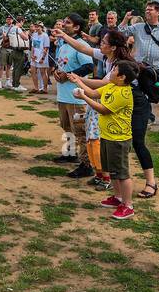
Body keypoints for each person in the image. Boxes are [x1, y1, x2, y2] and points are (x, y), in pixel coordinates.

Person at [68, 60, 140, 219]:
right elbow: (93, 93)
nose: (111, 71)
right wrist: (78, 81)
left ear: (121, 77)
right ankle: (118, 197)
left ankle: (128, 206)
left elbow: (103, 109)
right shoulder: (111, 86)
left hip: (119, 139)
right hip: (106, 136)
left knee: (122, 173)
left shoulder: (123, 94)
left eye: (114, 70)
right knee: (112, 170)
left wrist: (83, 97)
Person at [50, 14, 95, 179]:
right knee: (67, 127)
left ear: (76, 27)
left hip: (77, 97)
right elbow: (61, 63)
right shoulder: (63, 44)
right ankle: (69, 153)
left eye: (68, 23)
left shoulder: (81, 45)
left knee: (80, 131)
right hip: (63, 95)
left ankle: (86, 164)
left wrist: (69, 74)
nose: (64, 24)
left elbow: (89, 66)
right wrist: (56, 72)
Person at [0, 15, 15, 89]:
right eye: (8, 19)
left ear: (12, 20)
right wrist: (2, 36)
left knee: (9, 66)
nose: (9, 20)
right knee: (2, 65)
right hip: (4, 48)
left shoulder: (15, 28)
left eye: (10, 19)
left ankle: (8, 81)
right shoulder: (2, 28)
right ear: (6, 20)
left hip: (12, 48)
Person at [30, 22, 50, 93]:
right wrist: (32, 55)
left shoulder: (45, 36)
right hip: (34, 57)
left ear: (42, 27)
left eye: (38, 26)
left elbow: (46, 48)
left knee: (43, 72)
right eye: (36, 26)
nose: (37, 28)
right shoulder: (34, 35)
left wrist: (42, 58)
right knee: (33, 71)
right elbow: (33, 46)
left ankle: (45, 89)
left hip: (42, 56)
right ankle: (36, 88)